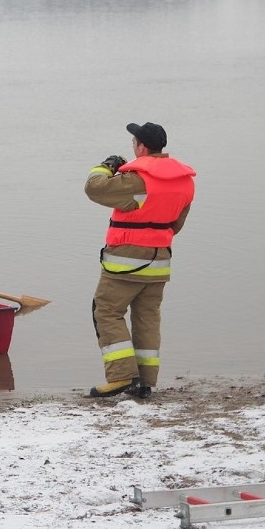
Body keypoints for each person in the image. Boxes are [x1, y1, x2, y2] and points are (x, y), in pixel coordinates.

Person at [84, 122, 196, 399]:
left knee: (107, 312)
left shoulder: (138, 180)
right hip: (160, 261)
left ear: (142, 147)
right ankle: (144, 382)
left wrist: (107, 166)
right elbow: (176, 223)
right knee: (147, 319)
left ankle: (121, 376)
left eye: (133, 142)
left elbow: (94, 188)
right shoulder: (185, 181)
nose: (132, 147)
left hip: (125, 261)